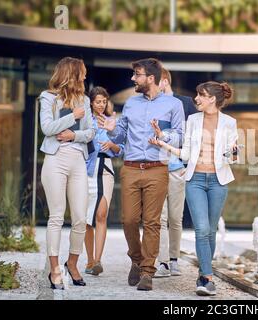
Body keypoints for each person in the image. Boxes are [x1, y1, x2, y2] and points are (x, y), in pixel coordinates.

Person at [98, 58, 184, 291]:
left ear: (151, 78)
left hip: (158, 168)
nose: (133, 79)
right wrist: (112, 129)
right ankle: (136, 260)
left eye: (137, 74)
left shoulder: (173, 105)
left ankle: (147, 271)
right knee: (129, 220)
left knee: (153, 222)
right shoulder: (131, 103)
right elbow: (120, 135)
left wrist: (162, 135)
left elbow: (180, 137)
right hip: (131, 168)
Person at [149, 81, 238, 296]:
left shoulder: (229, 123)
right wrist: (165, 145)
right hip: (195, 180)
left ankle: (203, 275)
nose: (195, 99)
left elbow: (233, 157)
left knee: (211, 231)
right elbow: (187, 154)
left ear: (212, 99)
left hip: (219, 181)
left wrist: (234, 153)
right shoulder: (193, 120)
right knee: (201, 228)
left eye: (200, 95)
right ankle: (206, 278)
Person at [39, 57, 95, 289]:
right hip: (55, 160)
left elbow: (91, 132)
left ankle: (72, 263)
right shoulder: (48, 97)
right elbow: (47, 128)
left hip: (77, 162)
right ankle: (54, 269)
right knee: (56, 217)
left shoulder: (85, 100)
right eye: (81, 73)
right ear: (71, 74)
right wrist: (72, 117)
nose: (84, 76)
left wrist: (74, 135)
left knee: (81, 217)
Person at [154, 67, 198, 278]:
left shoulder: (186, 103)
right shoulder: (151, 105)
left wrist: (188, 165)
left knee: (175, 217)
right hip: (156, 168)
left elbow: (194, 137)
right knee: (159, 218)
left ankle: (174, 260)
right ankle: (161, 262)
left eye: (155, 81)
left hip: (177, 168)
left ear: (163, 81)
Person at [84, 87, 124, 276]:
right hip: (86, 169)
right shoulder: (85, 120)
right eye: (98, 101)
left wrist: (112, 144)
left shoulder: (112, 122)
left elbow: (122, 148)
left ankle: (98, 260)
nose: (101, 104)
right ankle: (89, 260)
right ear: (91, 102)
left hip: (105, 167)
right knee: (86, 218)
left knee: (101, 214)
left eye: (104, 101)